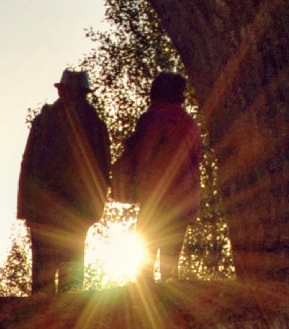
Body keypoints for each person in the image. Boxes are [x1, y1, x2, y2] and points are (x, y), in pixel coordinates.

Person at [16, 69, 111, 293]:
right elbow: (103, 168)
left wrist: (26, 207)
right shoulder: (95, 124)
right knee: (69, 274)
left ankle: (44, 317)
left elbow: (28, 163)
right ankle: (63, 317)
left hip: (45, 209)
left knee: (44, 274)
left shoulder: (45, 120)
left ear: (62, 91)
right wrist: (96, 207)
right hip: (75, 209)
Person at [113, 71, 203, 281]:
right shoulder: (190, 123)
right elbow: (195, 161)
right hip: (185, 198)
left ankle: (144, 307)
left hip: (157, 195)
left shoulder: (154, 116)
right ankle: (170, 305)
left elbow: (143, 152)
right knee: (170, 262)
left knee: (146, 255)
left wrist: (128, 179)